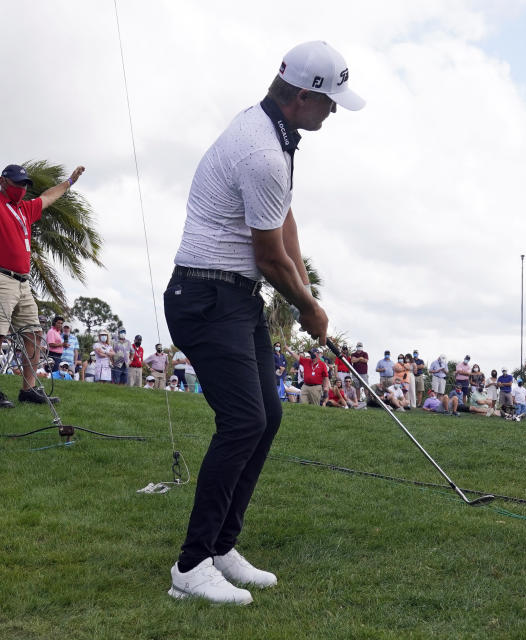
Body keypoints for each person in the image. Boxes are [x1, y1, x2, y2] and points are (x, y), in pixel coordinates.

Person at [162, 40, 361, 605]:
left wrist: (307, 288)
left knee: (267, 415)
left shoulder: (275, 133)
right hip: (204, 295)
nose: (335, 112)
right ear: (303, 96)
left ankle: (224, 546)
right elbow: (270, 256)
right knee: (244, 421)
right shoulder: (262, 150)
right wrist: (307, 304)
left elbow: (283, 219)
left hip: (235, 296)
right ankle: (192, 563)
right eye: (330, 103)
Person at [0, 164, 81, 408]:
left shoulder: (25, 208)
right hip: (2, 278)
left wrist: (69, 181)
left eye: (25, 185)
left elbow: (47, 197)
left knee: (34, 334)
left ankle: (28, 389)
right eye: (17, 184)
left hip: (23, 282)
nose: (22, 189)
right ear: (3, 182)